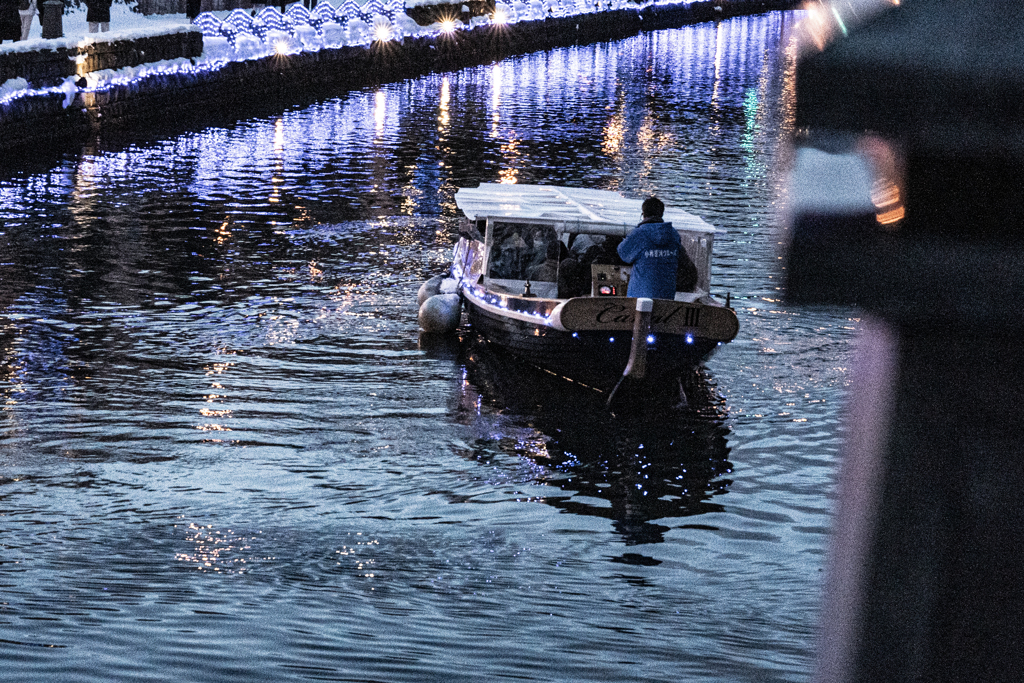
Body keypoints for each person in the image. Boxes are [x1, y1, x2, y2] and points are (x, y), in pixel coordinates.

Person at [616, 196, 694, 299]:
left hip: (640, 296)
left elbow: (623, 254)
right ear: (661, 214)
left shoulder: (639, 234)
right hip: (667, 297)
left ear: (643, 214)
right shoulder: (673, 234)